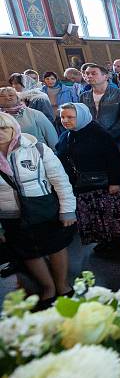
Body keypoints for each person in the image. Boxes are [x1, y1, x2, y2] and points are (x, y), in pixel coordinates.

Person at [0, 112, 76, 306]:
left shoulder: (36, 148)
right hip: (11, 215)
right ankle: (48, 287)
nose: (0, 133)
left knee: (56, 246)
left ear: (14, 129)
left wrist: (68, 209)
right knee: (28, 252)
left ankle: (61, 284)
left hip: (43, 207)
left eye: (3, 128)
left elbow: (60, 180)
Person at [55, 103, 120, 254]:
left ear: (81, 116)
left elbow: (113, 158)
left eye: (70, 117)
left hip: (102, 185)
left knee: (108, 214)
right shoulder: (66, 135)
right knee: (92, 216)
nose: (65, 120)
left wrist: (114, 182)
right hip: (81, 185)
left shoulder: (98, 133)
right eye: (63, 117)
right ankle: (103, 241)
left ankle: (115, 242)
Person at [78, 63, 120, 143]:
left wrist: (108, 134)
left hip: (114, 139)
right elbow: (82, 117)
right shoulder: (83, 96)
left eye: (94, 73)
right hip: (90, 138)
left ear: (105, 77)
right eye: (87, 73)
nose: (89, 76)